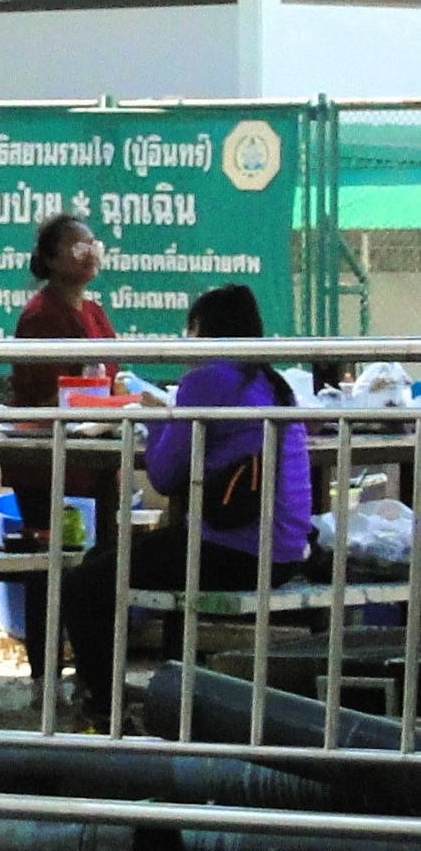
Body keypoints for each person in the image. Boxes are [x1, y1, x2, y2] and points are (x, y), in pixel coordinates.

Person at [61, 284, 310, 732]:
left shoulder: (207, 381)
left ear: (204, 331)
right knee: (104, 558)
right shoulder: (270, 383)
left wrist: (159, 419)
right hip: (283, 553)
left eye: (190, 330)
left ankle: (103, 709)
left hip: (233, 551)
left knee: (84, 583)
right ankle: (135, 695)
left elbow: (164, 476)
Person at [7, 213, 121, 687]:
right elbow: (41, 391)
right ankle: (44, 673)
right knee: (47, 567)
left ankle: (97, 672)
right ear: (51, 260)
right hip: (45, 460)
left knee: (99, 563)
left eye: (92, 244)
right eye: (76, 247)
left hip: (95, 454)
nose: (88, 254)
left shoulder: (95, 312)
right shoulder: (40, 316)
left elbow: (109, 375)